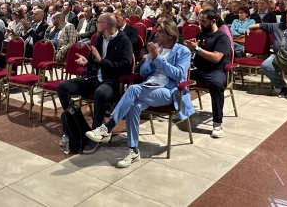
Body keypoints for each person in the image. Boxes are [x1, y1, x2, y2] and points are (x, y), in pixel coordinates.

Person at [85, 19, 193, 168]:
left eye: (160, 31)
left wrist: (158, 59)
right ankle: (133, 151)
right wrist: (151, 58)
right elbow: (142, 72)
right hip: (149, 87)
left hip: (169, 91)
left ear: (171, 34)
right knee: (134, 106)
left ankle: (108, 127)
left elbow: (179, 74)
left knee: (133, 89)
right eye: (157, 31)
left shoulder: (183, 51)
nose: (156, 34)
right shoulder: (157, 47)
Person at [56, 13, 133, 154]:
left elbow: (125, 66)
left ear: (105, 24)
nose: (96, 24)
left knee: (100, 93)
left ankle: (96, 132)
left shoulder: (123, 40)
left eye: (98, 22)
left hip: (112, 82)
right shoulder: (98, 39)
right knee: (62, 87)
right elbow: (92, 59)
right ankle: (76, 122)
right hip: (94, 78)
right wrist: (87, 61)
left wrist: (101, 61)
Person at [182, 9, 232, 138]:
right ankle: (177, 109)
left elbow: (216, 58)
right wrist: (189, 47)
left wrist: (197, 49)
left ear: (213, 21)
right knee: (177, 75)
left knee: (216, 85)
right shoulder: (201, 35)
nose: (200, 24)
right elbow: (194, 52)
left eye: (203, 21)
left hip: (215, 70)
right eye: (200, 21)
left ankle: (217, 123)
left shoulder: (222, 37)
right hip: (198, 70)